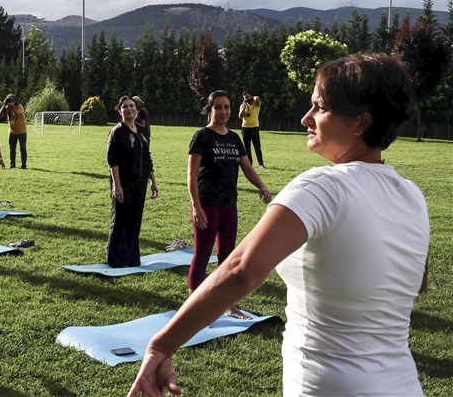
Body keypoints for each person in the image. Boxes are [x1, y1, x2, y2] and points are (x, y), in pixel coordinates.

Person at [128, 54, 429, 397]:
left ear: (361, 123)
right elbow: (415, 281)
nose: (306, 118)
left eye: (320, 108)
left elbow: (240, 271)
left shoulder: (321, 187)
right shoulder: (412, 195)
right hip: (403, 385)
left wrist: (161, 346)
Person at [187, 90, 272, 319]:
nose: (223, 111)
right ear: (210, 109)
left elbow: (247, 169)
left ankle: (228, 305)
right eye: (218, 107)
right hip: (207, 204)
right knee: (202, 254)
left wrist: (262, 187)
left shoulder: (234, 138)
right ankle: (195, 307)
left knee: (226, 256)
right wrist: (196, 206)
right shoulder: (202, 136)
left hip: (228, 205)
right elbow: (191, 174)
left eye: (226, 107)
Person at [106, 96, 158, 268]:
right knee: (120, 219)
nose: (129, 109)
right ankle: (115, 260)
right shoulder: (117, 132)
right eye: (125, 106)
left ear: (137, 109)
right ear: (120, 110)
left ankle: (132, 258)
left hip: (140, 182)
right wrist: (117, 186)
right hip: (123, 182)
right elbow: (112, 160)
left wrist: (152, 180)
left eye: (132, 106)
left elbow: (148, 157)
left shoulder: (142, 131)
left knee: (135, 220)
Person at [0, 94, 27, 169]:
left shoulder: (19, 106)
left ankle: (24, 164)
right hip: (12, 132)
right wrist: (4, 105)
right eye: (9, 100)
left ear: (15, 100)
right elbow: (0, 115)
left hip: (22, 131)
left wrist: (13, 107)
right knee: (12, 149)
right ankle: (12, 164)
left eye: (12, 100)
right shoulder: (7, 107)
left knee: (23, 148)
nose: (11, 101)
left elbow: (18, 115)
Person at [238, 91, 265, 168]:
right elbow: (240, 116)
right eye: (245, 98)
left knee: (257, 146)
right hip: (245, 128)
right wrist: (244, 107)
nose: (246, 99)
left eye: (247, 97)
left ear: (251, 96)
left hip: (254, 128)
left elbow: (257, 99)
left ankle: (261, 163)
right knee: (247, 148)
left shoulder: (256, 104)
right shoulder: (242, 106)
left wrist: (255, 97)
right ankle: (250, 163)